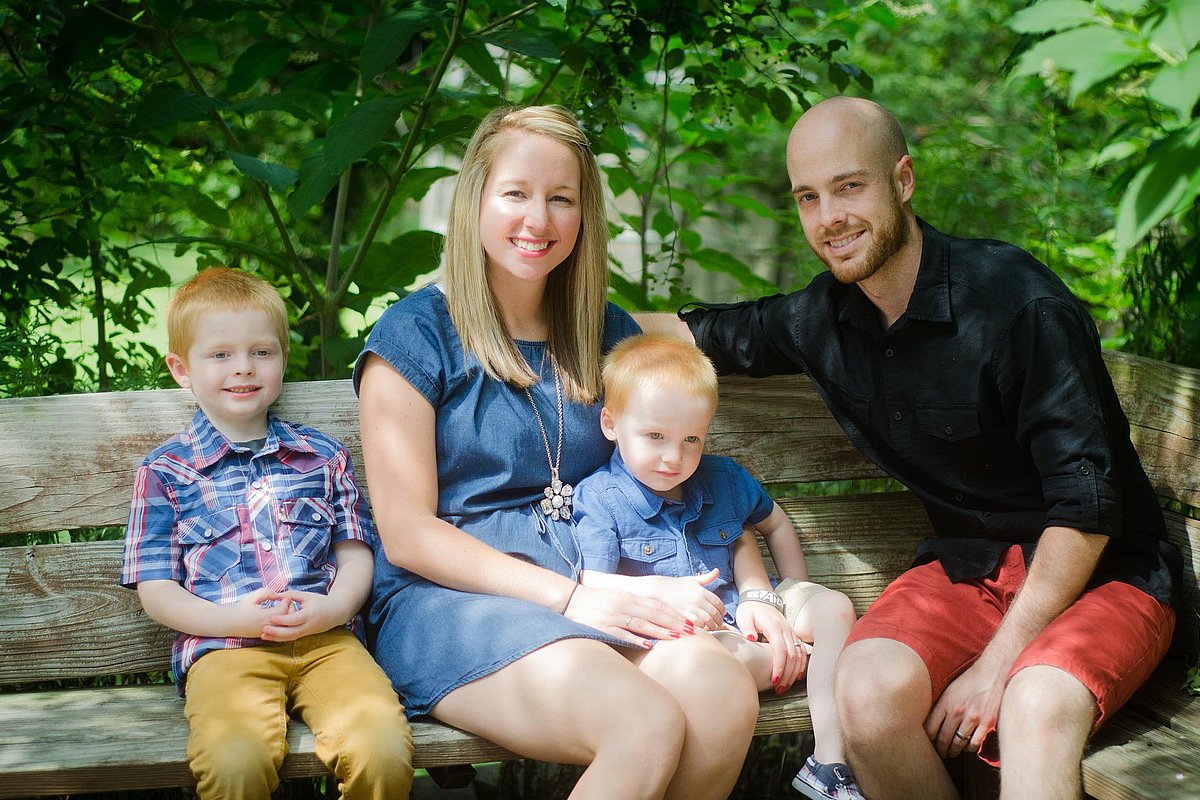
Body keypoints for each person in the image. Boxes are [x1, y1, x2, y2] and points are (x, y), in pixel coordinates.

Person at [647, 97, 1179, 799]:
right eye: (808, 197)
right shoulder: (826, 318)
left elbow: (1086, 509)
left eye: (849, 186)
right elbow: (698, 332)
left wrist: (997, 664)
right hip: (971, 569)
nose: (829, 216)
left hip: (1105, 576)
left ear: (902, 181)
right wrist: (535, 325)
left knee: (1033, 704)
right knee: (863, 693)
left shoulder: (1016, 306)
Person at [354, 105, 760, 800]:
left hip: (592, 589)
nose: (537, 220)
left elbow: (678, 376)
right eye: (515, 193)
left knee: (717, 687)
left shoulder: (602, 333)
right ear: (476, 198)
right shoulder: (414, 340)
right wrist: (573, 598)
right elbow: (408, 534)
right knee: (643, 723)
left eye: (561, 199)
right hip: (452, 605)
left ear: (585, 216)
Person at [120, 268, 413, 799]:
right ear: (181, 369)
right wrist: (234, 618)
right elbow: (156, 591)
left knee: (383, 751)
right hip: (225, 649)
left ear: (281, 357)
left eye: (261, 351)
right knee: (236, 762)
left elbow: (355, 554)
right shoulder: (166, 472)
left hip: (326, 643)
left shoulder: (321, 457)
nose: (243, 368)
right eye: (221, 355)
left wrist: (334, 609)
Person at [572, 332, 863, 800]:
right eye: (655, 437)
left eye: (692, 439)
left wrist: (783, 596)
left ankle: (829, 764)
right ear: (610, 423)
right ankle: (799, 660)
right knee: (715, 663)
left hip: (747, 609)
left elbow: (776, 526)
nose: (674, 457)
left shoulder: (722, 477)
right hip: (686, 640)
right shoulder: (600, 499)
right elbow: (594, 584)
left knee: (834, 608)